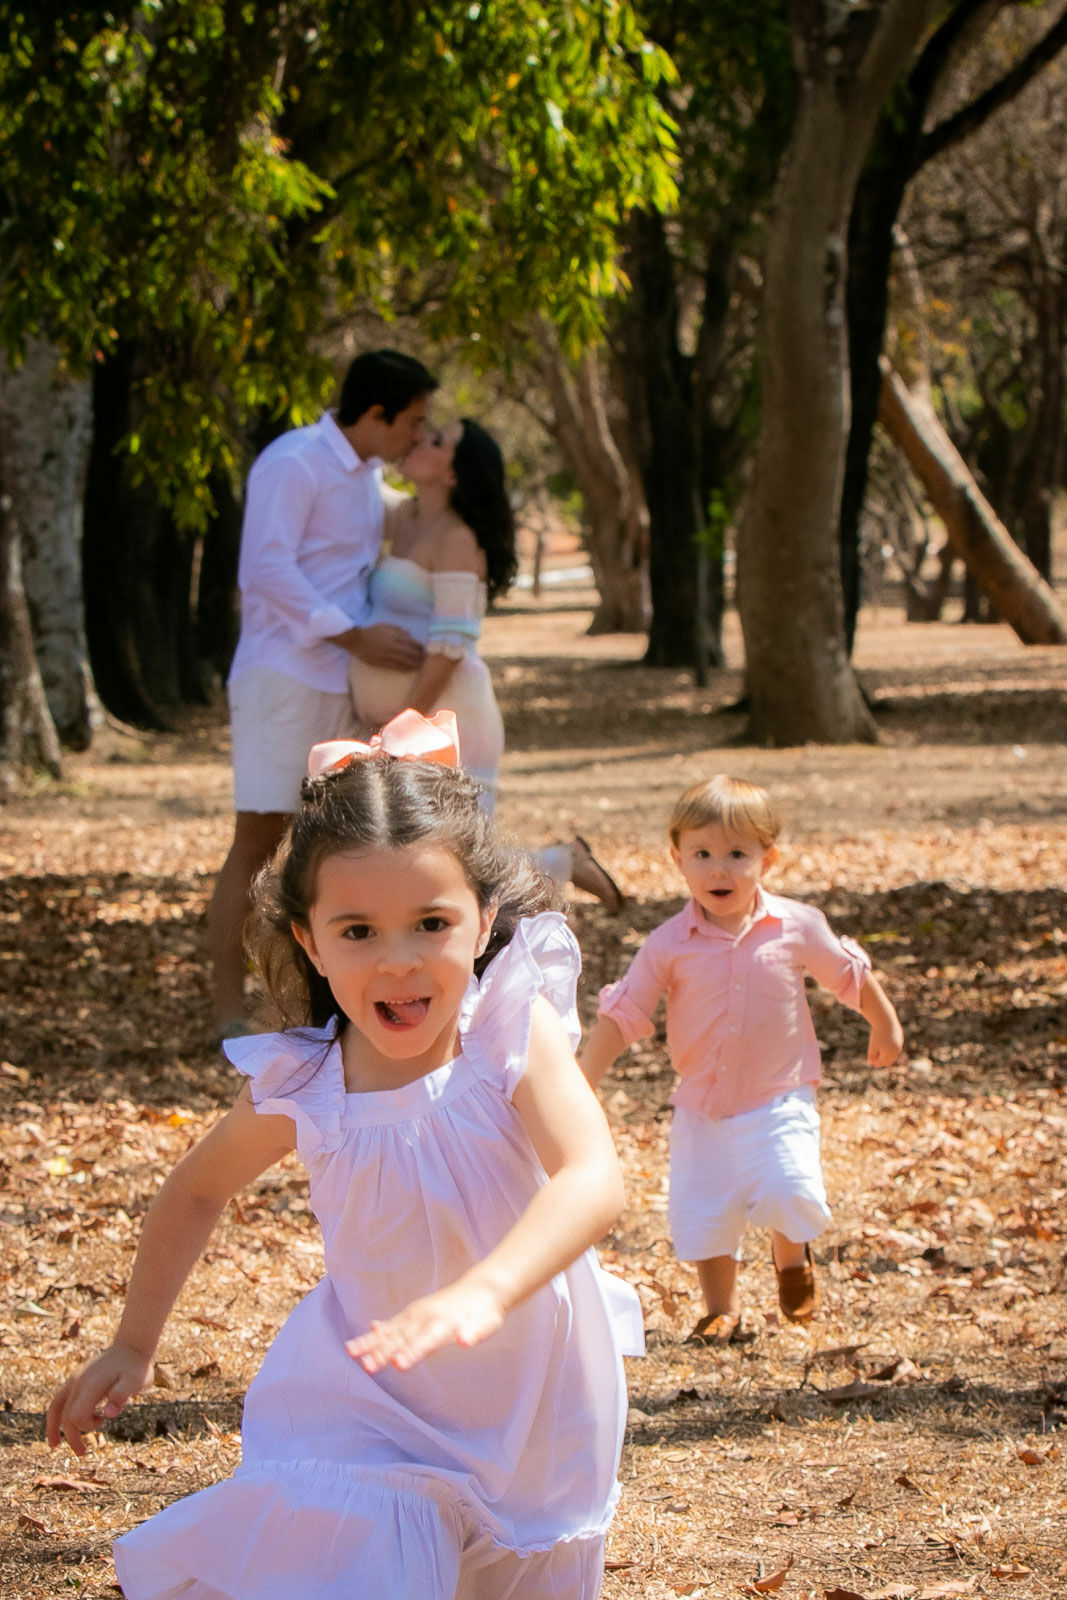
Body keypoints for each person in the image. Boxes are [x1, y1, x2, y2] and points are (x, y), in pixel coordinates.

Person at [48, 709, 643, 1600]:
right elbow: (196, 1191)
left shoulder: (508, 1038)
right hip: (365, 1402)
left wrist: (485, 1289)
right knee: (369, 1557)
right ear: (309, 941)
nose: (397, 963)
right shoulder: (305, 1083)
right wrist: (133, 1344)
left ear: (483, 922)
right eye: (358, 931)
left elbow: (592, 1178)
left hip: (529, 1405)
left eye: (430, 923)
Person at [580, 773, 904, 1343]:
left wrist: (884, 1022)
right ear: (678, 859)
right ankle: (720, 1309)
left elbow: (847, 975)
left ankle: (791, 1256)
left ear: (767, 858)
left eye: (737, 854)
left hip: (779, 1095)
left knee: (788, 1188)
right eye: (702, 854)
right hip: (701, 1104)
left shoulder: (795, 926)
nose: (719, 870)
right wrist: (582, 1082)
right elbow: (625, 1011)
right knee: (705, 1211)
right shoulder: (668, 944)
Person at [207, 348, 439, 1040]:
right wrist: (354, 635)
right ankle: (227, 1009)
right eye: (413, 421)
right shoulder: (294, 461)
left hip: (340, 684)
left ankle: (313, 1004)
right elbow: (266, 567)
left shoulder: (367, 477)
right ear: (377, 414)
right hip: (283, 676)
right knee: (258, 837)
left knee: (326, 844)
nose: (417, 435)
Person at [349, 414, 626, 912]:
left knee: (464, 859)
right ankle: (562, 862)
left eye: (436, 440)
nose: (418, 438)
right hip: (408, 722)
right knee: (424, 850)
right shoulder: (406, 517)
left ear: (453, 473)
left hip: (451, 718)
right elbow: (355, 484)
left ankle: (558, 867)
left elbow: (451, 645)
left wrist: (402, 725)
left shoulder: (458, 539)